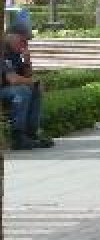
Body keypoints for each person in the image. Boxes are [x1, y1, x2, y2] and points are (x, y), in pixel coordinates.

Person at [1, 19, 52, 149]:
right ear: (10, 36)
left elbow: (27, 78)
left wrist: (27, 62)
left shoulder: (15, 53)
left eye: (27, 42)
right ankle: (18, 137)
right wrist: (33, 81)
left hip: (8, 91)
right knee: (22, 91)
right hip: (4, 89)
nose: (25, 45)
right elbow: (13, 79)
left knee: (34, 89)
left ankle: (31, 134)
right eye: (23, 40)